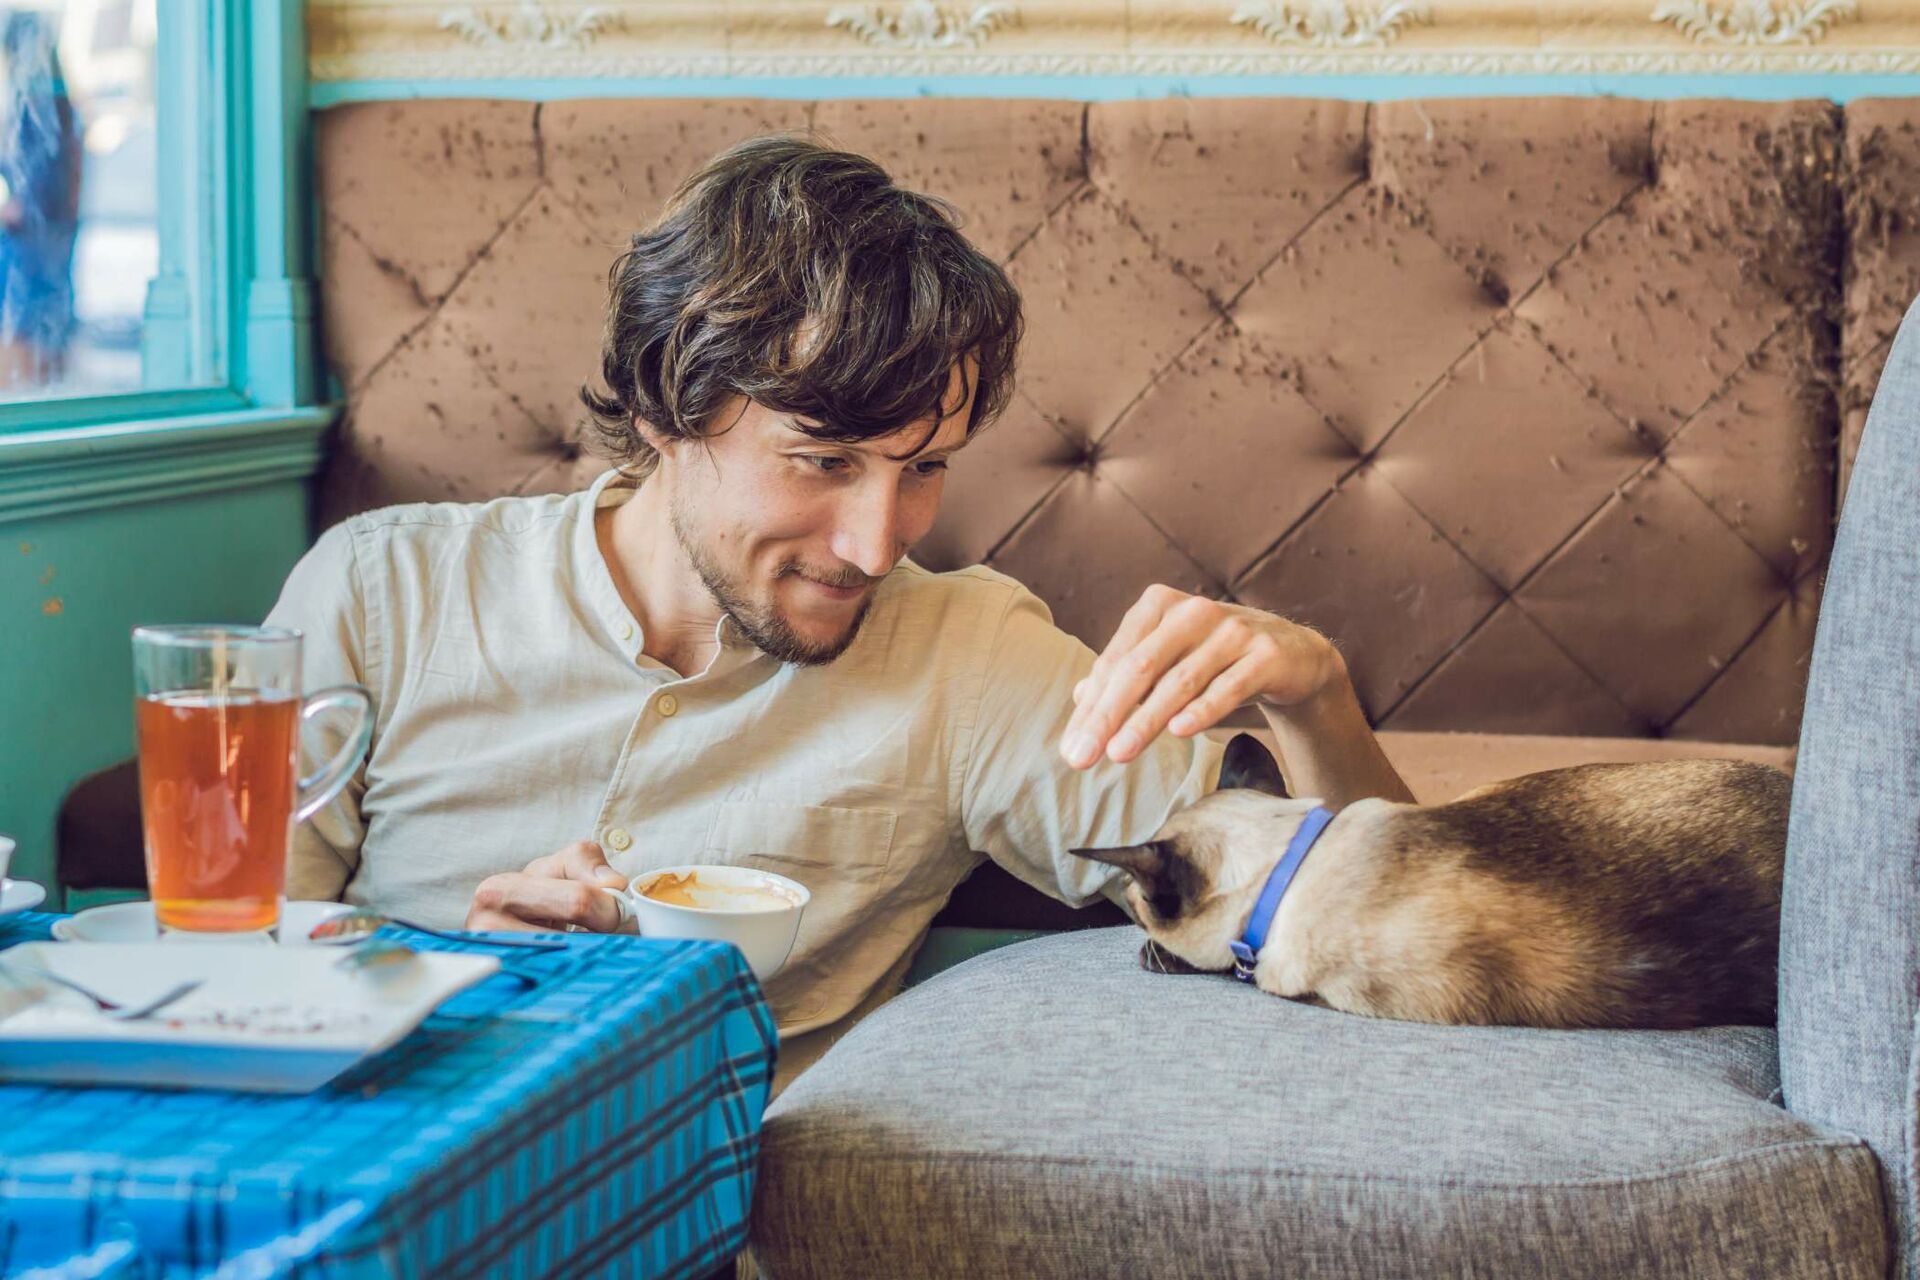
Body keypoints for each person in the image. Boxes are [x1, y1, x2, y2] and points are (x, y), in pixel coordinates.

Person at [266, 136, 1413, 1090]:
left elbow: (1384, 915)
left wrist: (1315, 699)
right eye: (822, 461)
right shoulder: (379, 595)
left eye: (925, 468)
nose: (879, 541)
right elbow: (226, 978)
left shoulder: (968, 659)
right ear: (669, 407)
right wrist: (462, 987)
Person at [0, 10, 79, 389]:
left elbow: (32, 193)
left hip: (31, 247)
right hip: (51, 245)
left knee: (25, 348)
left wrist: (11, 211)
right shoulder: (59, 106)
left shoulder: (35, 106)